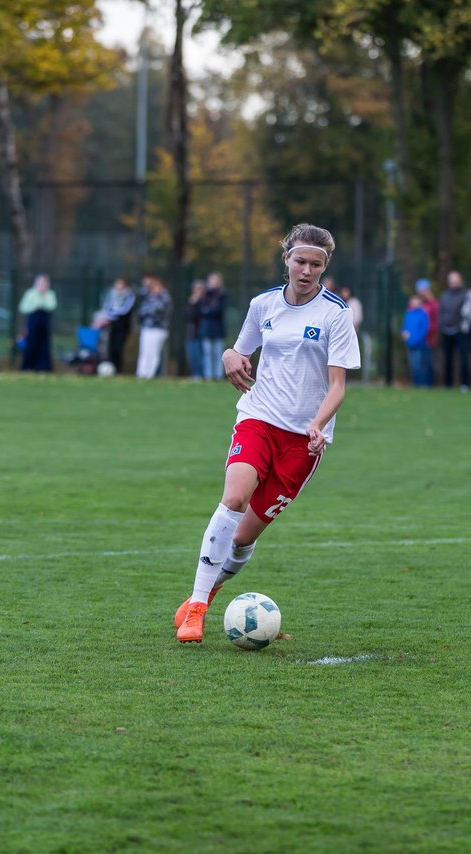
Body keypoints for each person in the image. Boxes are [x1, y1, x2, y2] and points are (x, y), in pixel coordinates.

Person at [173, 223, 360, 643]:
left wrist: (317, 424)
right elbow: (240, 350)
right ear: (286, 261)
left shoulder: (335, 313)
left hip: (303, 442)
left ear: (324, 266)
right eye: (300, 261)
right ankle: (197, 610)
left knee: (240, 539)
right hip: (258, 418)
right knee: (234, 498)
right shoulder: (264, 305)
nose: (307, 270)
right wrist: (228, 355)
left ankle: (208, 589)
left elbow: (337, 387)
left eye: (316, 264)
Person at [135, 274, 172, 379]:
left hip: (158, 329)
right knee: (144, 351)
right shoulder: (149, 297)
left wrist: (148, 311)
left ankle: (150, 374)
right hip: (147, 327)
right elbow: (142, 311)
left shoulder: (165, 298)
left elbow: (157, 311)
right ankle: (141, 373)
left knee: (153, 352)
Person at [19, 274, 57, 372]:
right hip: (33, 320)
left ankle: (43, 367)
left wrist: (42, 302)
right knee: (31, 343)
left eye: (45, 283)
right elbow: (23, 307)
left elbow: (52, 306)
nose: (43, 285)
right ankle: (28, 366)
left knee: (44, 345)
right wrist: (35, 306)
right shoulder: (30, 293)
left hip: (44, 321)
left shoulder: (50, 294)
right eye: (41, 283)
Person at [438, 271, 467, 389]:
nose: (453, 283)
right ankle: (447, 383)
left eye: (456, 280)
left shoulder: (466, 295)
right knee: (447, 358)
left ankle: (464, 383)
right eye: (451, 281)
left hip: (460, 331)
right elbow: (441, 312)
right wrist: (442, 324)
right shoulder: (444, 295)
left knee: (463, 358)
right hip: (446, 330)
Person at [101, 277, 136, 371]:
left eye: (120, 284)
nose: (118, 286)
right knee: (111, 347)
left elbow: (125, 310)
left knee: (119, 347)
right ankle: (112, 368)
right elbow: (106, 307)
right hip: (112, 325)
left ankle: (118, 368)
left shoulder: (129, 296)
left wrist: (113, 312)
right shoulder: (111, 295)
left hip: (123, 326)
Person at [199, 272, 227, 380]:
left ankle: (218, 376)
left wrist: (208, 311)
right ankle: (208, 376)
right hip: (206, 330)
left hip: (218, 330)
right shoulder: (205, 295)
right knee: (207, 354)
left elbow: (218, 311)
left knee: (218, 354)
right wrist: (209, 311)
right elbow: (201, 310)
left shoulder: (222, 295)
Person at [402, 294, 432, 387]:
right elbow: (404, 327)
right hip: (409, 344)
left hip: (419, 345)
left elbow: (424, 330)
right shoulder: (408, 313)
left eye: (415, 301)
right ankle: (415, 383)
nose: (413, 303)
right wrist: (404, 334)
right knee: (412, 366)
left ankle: (422, 384)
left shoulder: (423, 314)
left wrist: (415, 340)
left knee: (419, 365)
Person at [415, 278, 439, 386]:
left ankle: (429, 384)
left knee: (427, 361)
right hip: (417, 337)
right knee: (417, 362)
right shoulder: (416, 303)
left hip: (429, 337)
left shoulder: (432, 304)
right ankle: (418, 383)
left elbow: (436, 314)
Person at [185, 280, 206, 379]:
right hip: (191, 333)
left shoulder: (205, 302)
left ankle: (202, 375)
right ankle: (195, 374)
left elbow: (200, 316)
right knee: (192, 356)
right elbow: (188, 316)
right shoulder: (192, 302)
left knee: (201, 356)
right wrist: (192, 304)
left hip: (201, 333)